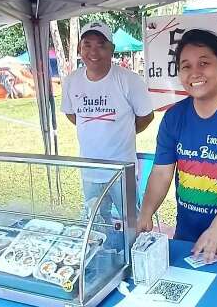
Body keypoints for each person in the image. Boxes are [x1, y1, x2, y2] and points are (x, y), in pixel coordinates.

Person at [137, 29, 217, 262]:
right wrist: (145, 213)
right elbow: (161, 172)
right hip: (187, 233)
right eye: (186, 66)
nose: (194, 72)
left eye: (204, 63)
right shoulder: (174, 117)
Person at [61, 21, 154, 222]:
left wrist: (124, 131)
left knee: (131, 223)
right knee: (96, 224)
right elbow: (71, 114)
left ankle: (132, 253)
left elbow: (147, 116)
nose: (94, 51)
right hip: (89, 171)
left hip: (122, 171)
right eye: (87, 44)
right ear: (79, 49)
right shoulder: (71, 81)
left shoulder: (129, 80)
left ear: (112, 49)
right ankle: (105, 254)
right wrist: (96, 127)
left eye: (101, 45)